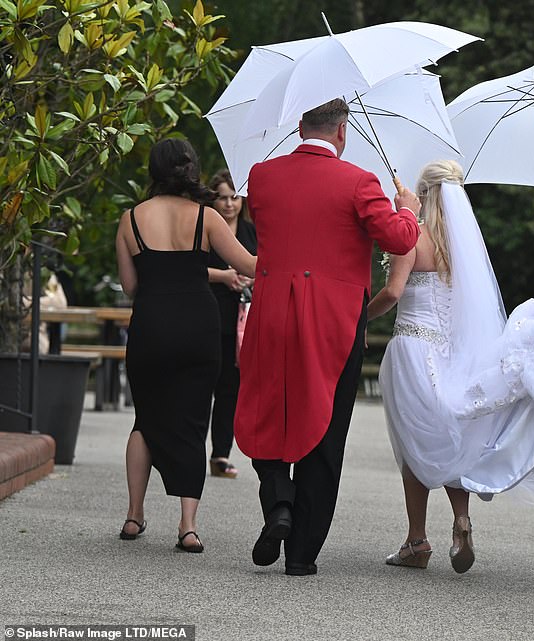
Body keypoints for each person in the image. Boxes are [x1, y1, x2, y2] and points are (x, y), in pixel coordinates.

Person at [233, 98, 421, 577]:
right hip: (334, 320)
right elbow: (399, 240)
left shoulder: (261, 175)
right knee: (327, 428)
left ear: (298, 127)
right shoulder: (360, 182)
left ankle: (278, 500)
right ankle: (301, 553)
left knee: (266, 408)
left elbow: (266, 221)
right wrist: (408, 210)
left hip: (273, 310)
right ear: (342, 132)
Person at [370, 159, 534, 574]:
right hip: (454, 353)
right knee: (451, 434)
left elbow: (394, 292)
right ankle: (461, 521)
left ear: (423, 194)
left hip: (413, 349)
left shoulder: (412, 238)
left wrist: (360, 317)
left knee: (414, 445)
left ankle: (417, 540)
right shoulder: (462, 248)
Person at [115, 138, 257, 553]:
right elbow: (249, 265)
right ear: (192, 170)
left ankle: (134, 515)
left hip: (150, 327)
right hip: (198, 327)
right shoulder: (206, 217)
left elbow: (129, 286)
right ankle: (188, 526)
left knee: (146, 420)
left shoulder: (130, 220)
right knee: (195, 420)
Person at [205, 169, 257, 480]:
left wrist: (249, 276)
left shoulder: (251, 232)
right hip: (209, 314)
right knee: (203, 386)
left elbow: (263, 264)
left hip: (242, 321)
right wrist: (224, 275)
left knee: (230, 390)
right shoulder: (205, 231)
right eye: (222, 198)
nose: (228, 204)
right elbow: (192, 267)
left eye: (234, 198)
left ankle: (220, 454)